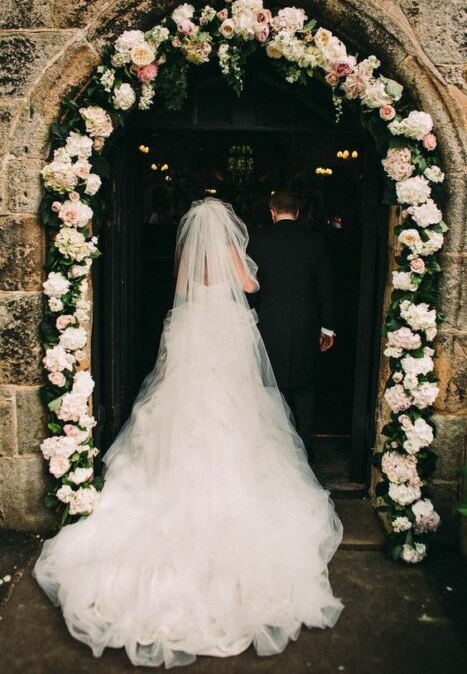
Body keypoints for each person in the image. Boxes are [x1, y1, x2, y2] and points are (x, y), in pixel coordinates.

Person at [33, 198, 343, 669]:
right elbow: (249, 284)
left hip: (193, 329)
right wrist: (246, 277)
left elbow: (179, 292)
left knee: (182, 406)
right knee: (238, 407)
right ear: (226, 227)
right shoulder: (228, 249)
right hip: (228, 333)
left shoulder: (186, 255)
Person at [248, 191, 336, 460]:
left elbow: (251, 289)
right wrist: (327, 328)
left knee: (270, 386)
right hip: (305, 322)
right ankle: (304, 452)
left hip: (268, 322)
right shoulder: (315, 241)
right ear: (298, 212)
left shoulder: (258, 241)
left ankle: (273, 452)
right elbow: (326, 286)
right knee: (305, 388)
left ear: (272, 212)